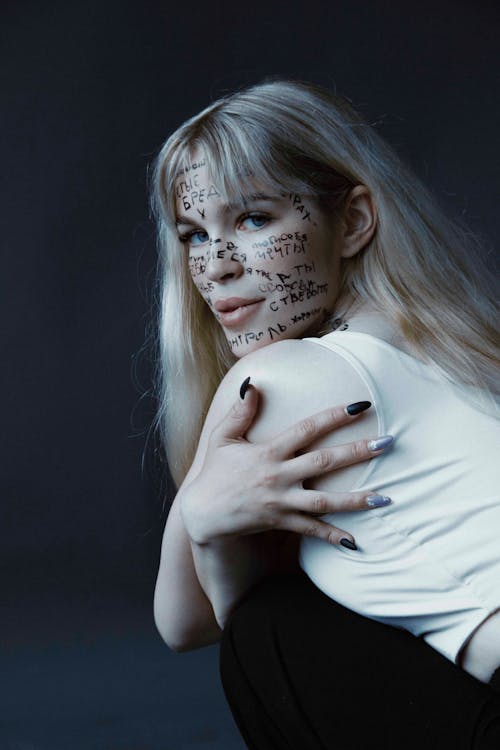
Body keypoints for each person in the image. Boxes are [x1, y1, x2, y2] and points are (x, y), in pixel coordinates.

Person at [150, 79, 500, 748]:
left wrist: (205, 525)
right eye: (194, 234)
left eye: (253, 219)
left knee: (268, 623)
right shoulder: (454, 348)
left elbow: (184, 623)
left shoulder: (285, 377)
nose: (216, 267)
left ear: (355, 222)